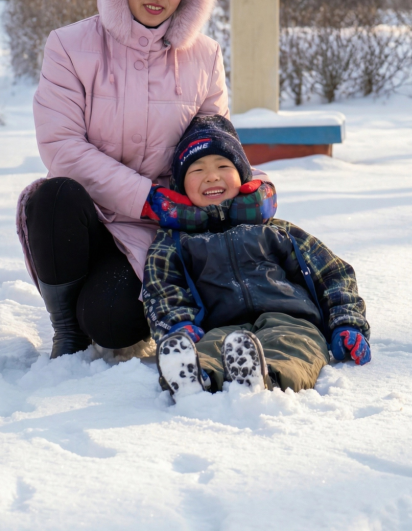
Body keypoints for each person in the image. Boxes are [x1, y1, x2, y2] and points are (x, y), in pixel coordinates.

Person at [16, 0, 274, 358]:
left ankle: (96, 308)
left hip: (158, 233)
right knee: (51, 196)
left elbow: (215, 145)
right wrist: (147, 197)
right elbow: (62, 147)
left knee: (115, 325)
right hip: (86, 221)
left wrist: (245, 188)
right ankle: (66, 327)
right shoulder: (70, 46)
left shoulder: (204, 56)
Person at [143, 115, 371, 400]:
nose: (211, 176)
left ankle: (266, 378)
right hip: (219, 326)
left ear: (243, 175)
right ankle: (194, 376)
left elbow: (333, 273)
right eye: (197, 169)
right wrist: (179, 324)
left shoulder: (275, 230)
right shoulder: (177, 241)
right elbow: (161, 288)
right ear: (181, 185)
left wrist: (346, 322)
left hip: (290, 319)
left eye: (223, 166)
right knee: (210, 349)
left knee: (294, 347)